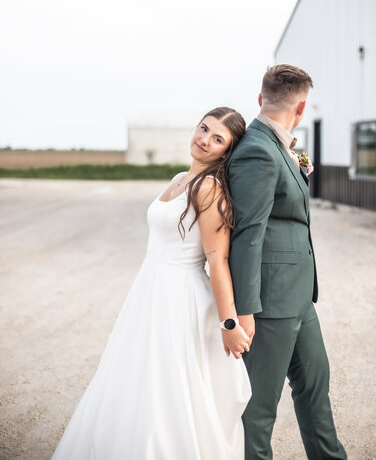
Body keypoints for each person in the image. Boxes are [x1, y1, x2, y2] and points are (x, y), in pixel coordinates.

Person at [51, 106, 252, 460]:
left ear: (227, 151)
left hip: (180, 298)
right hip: (149, 291)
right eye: (203, 128)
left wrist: (229, 322)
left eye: (217, 138)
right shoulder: (179, 178)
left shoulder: (210, 189)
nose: (204, 139)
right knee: (136, 381)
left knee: (168, 388)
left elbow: (217, 260)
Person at [228, 65, 347, 460]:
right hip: (268, 303)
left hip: (298, 298)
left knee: (315, 387)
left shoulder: (281, 146)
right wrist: (245, 311)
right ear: (302, 108)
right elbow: (247, 235)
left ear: (262, 100)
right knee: (259, 408)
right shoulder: (257, 151)